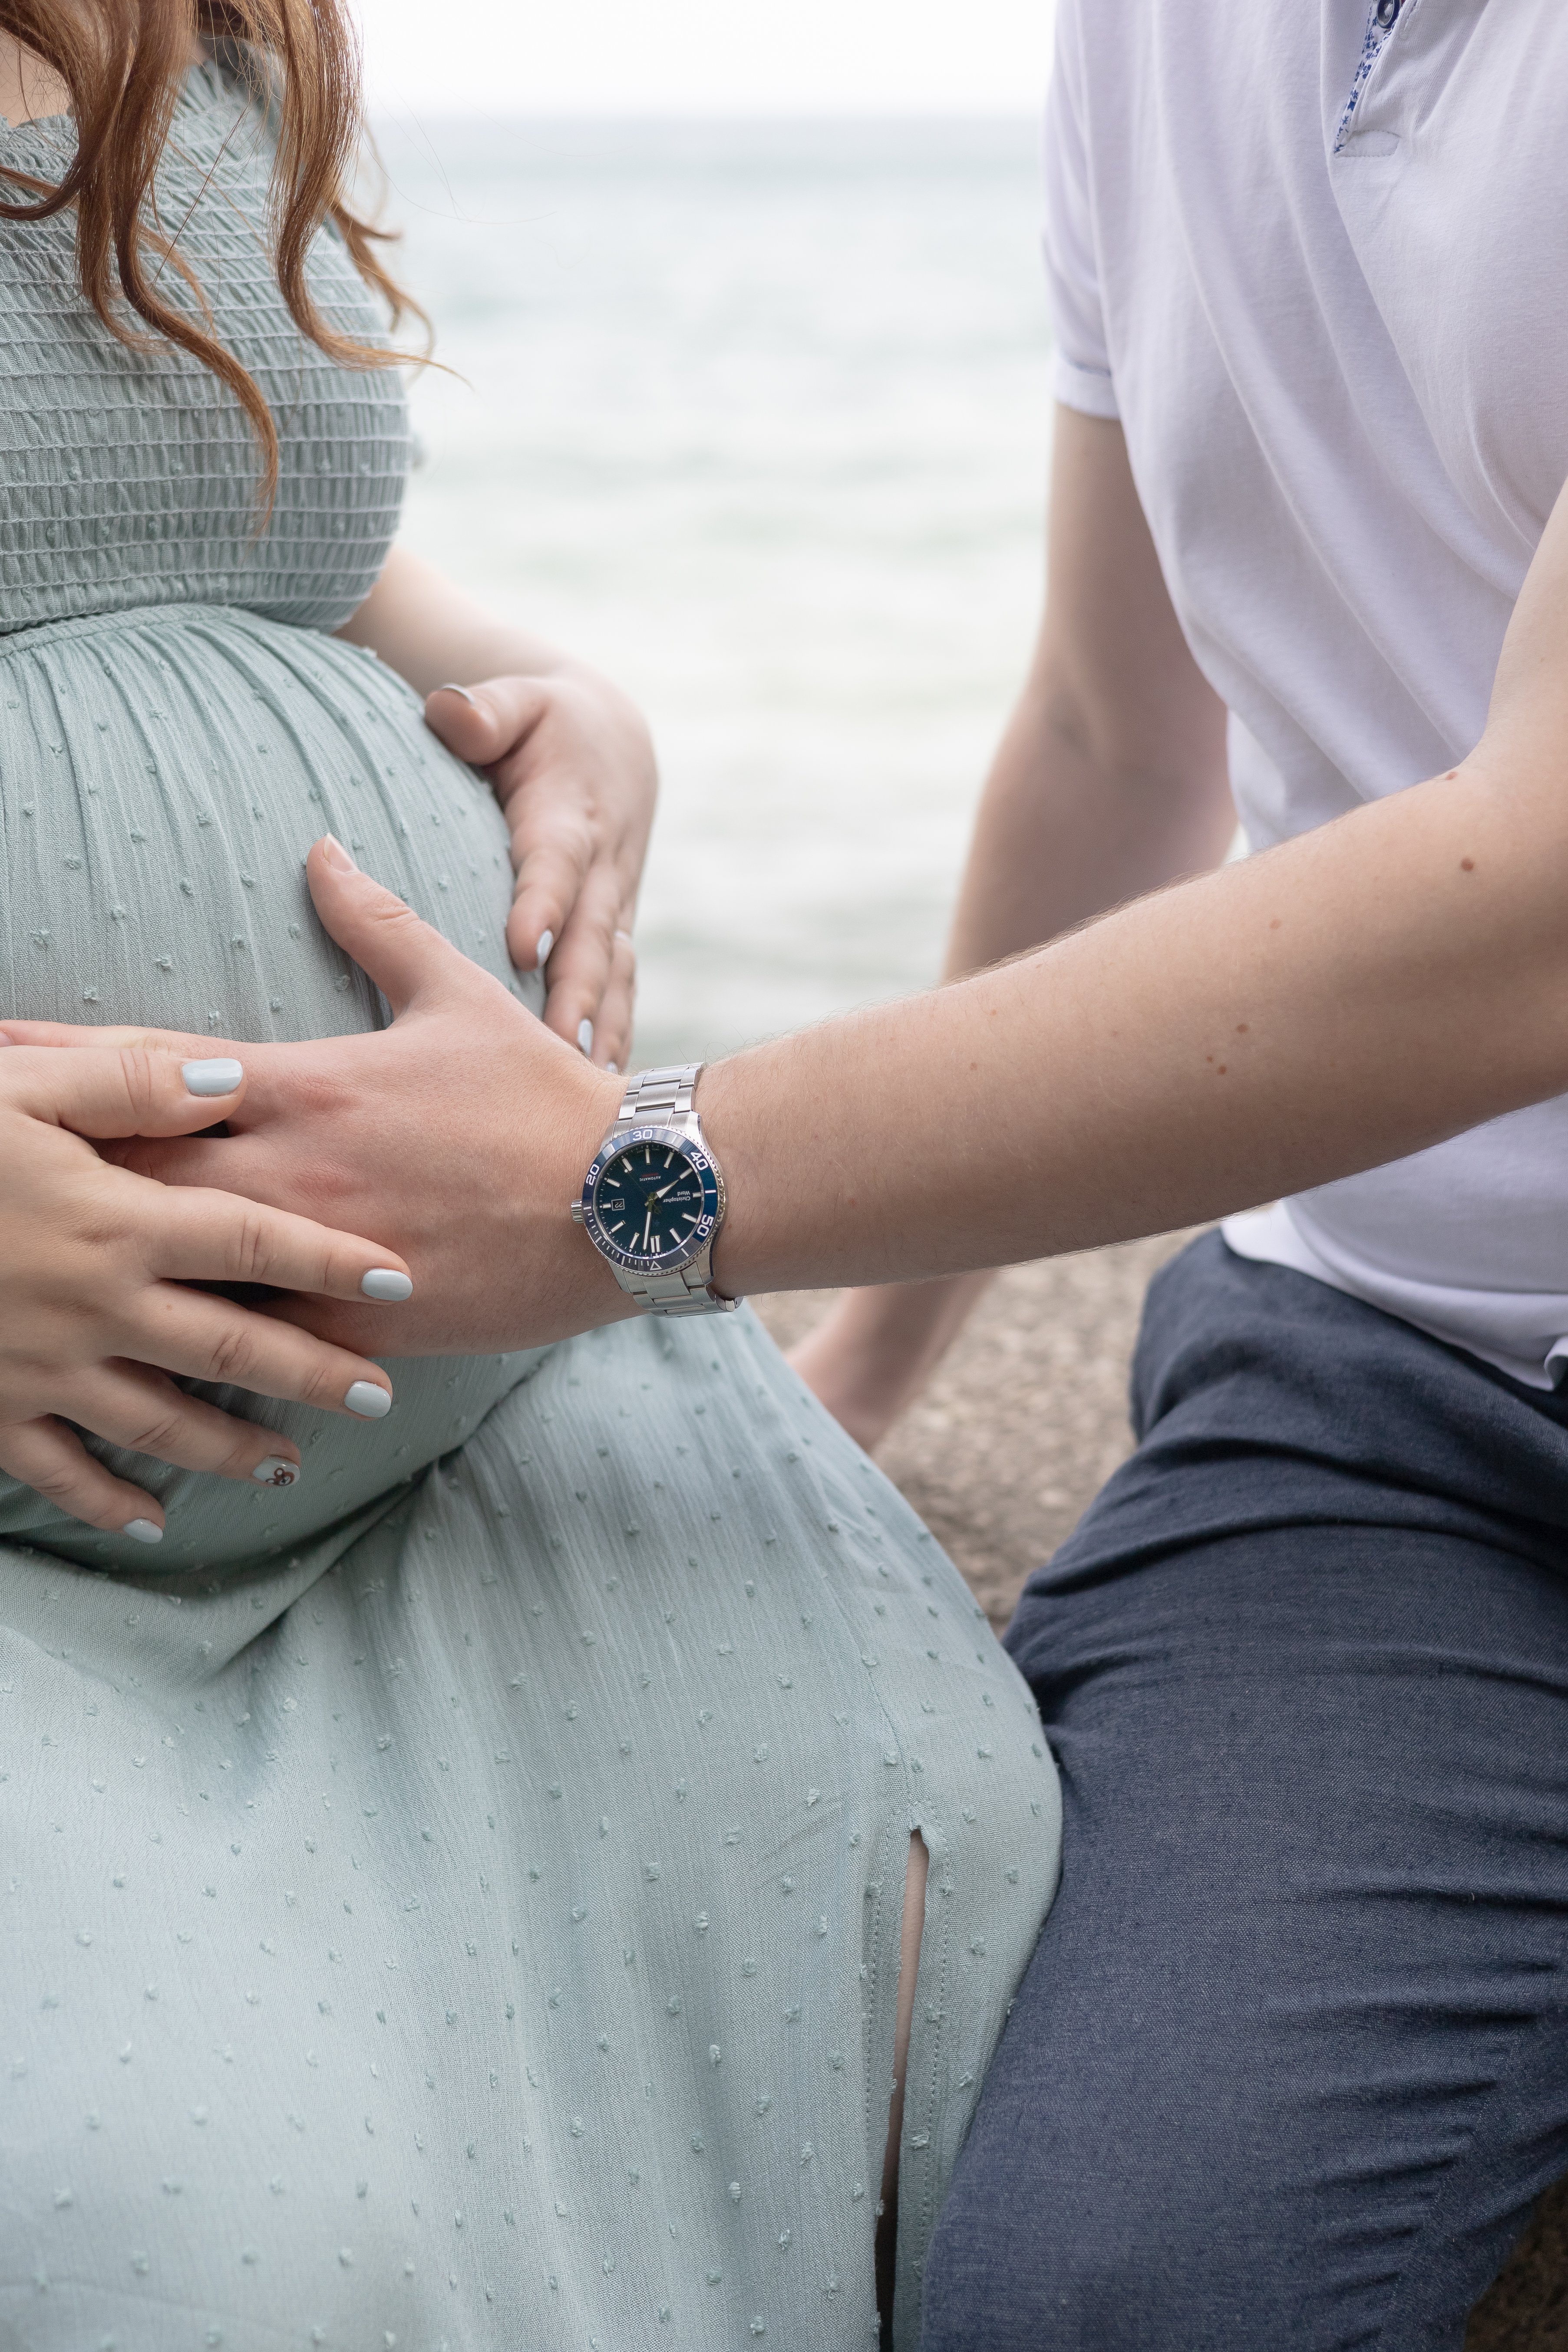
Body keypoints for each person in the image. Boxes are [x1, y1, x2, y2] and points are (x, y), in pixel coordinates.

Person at [43, 0, 1568, 2342]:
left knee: (903, 1932)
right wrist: (872, 1358)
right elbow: (1102, 731)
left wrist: (629, 1195)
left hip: (481, 1423)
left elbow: (1538, 904)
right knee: (1087, 2272)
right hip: (1408, 1421)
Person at [0, 11, 1055, 2346]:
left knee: (930, 1882)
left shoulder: (205, 21)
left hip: (499, 1426)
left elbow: (209, 535)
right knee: (209, 2226)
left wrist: (556, 693)